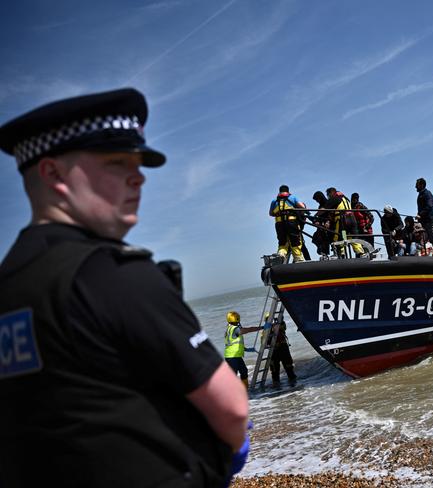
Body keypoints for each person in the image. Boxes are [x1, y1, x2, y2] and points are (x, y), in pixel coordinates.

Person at [0, 88, 249, 487]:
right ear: (53, 174)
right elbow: (232, 408)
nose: (139, 176)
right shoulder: (114, 274)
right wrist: (227, 456)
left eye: (138, 163)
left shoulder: (10, 281)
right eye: (116, 162)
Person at [224, 311, 264, 389]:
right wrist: (261, 327)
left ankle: (245, 390)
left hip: (235, 356)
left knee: (244, 372)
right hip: (232, 357)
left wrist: (246, 349)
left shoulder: (229, 329)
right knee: (234, 375)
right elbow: (248, 330)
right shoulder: (235, 329)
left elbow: (232, 343)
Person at [269, 185, 306, 262]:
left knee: (282, 241)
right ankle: (298, 258)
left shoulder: (274, 201)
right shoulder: (292, 198)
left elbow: (271, 213)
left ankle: (281, 255)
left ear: (279, 191)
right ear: (288, 191)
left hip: (279, 223)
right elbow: (302, 207)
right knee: (295, 240)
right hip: (291, 222)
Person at [325, 187, 365, 258]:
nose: (328, 197)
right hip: (352, 219)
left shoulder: (334, 198)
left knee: (337, 236)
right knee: (352, 237)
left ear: (331, 193)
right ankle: (361, 253)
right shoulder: (346, 198)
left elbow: (325, 208)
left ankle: (339, 253)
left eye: (328, 195)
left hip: (342, 220)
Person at [262, 313, 297, 388]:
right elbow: (263, 341)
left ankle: (293, 383)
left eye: (271, 319)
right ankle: (277, 386)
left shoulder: (280, 324)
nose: (270, 320)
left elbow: (282, 327)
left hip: (283, 348)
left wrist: (279, 322)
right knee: (274, 370)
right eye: (268, 319)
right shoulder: (265, 330)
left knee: (289, 367)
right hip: (273, 350)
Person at [415, 178, 433, 255]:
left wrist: (420, 214)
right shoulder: (421, 194)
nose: (415, 187)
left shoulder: (427, 193)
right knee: (428, 238)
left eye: (417, 185)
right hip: (426, 220)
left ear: (421, 185)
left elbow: (429, 206)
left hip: (431, 219)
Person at [311, 191, 331, 257]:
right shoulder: (320, 205)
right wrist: (316, 221)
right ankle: (323, 252)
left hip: (328, 224)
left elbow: (331, 213)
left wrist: (328, 221)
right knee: (316, 237)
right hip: (321, 225)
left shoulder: (327, 203)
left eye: (317, 199)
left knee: (324, 238)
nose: (317, 201)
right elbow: (320, 216)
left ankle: (325, 253)